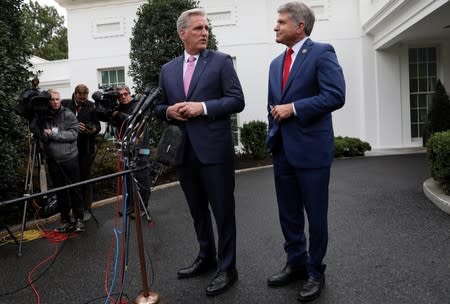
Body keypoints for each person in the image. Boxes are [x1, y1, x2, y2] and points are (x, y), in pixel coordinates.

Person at [155, 8, 245, 296]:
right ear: (182, 33)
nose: (204, 32)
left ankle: (228, 268)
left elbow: (236, 100)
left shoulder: (220, 62)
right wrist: (168, 110)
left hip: (215, 152)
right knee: (197, 212)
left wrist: (202, 107)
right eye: (197, 28)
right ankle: (207, 258)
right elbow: (159, 108)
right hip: (184, 153)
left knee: (223, 212)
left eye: (206, 28)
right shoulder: (168, 69)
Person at [266, 2, 345, 302]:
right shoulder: (275, 63)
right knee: (288, 215)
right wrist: (272, 134)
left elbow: (335, 95)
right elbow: (273, 105)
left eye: (281, 22)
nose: (276, 26)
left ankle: (315, 271)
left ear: (300, 26)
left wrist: (295, 108)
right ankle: (296, 263)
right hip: (282, 151)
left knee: (316, 217)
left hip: (312, 151)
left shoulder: (322, 52)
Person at [31, 89, 85, 233]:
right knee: (60, 192)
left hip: (70, 158)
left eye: (57, 99)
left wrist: (54, 134)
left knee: (75, 190)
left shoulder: (68, 114)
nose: (55, 102)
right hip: (53, 160)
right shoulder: (43, 116)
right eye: (52, 99)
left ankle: (79, 218)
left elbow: (73, 134)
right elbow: (40, 134)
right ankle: (65, 220)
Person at [112, 85, 151, 220]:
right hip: (125, 150)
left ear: (130, 94)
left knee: (141, 179)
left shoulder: (138, 106)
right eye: (120, 95)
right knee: (127, 180)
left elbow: (134, 121)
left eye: (125, 94)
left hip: (141, 149)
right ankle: (130, 206)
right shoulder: (117, 109)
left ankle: (142, 208)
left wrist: (118, 114)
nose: (123, 97)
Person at [62, 84, 100, 222]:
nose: (83, 100)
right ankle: (74, 209)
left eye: (85, 97)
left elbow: (97, 126)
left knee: (86, 179)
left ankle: (86, 208)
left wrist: (92, 130)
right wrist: (74, 126)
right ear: (75, 94)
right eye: (80, 97)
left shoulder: (92, 106)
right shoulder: (65, 105)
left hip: (86, 148)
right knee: (72, 181)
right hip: (69, 149)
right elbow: (60, 124)